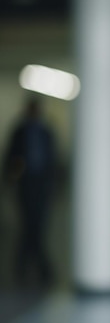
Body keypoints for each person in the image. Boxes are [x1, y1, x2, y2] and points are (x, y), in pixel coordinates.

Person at [2, 97, 56, 287]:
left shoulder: (46, 132)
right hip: (25, 185)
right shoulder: (19, 132)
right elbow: (10, 158)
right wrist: (11, 180)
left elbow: (53, 160)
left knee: (36, 226)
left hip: (41, 185)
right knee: (29, 225)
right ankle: (41, 268)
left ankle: (27, 267)